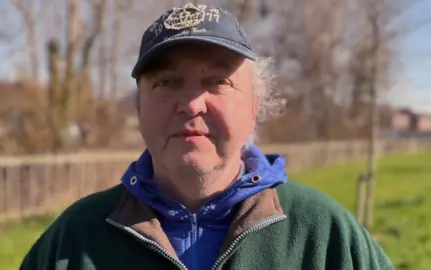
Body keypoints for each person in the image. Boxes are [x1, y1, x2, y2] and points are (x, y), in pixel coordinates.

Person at [20, 3, 393, 270]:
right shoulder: (75, 239)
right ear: (139, 108)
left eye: (218, 82)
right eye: (167, 82)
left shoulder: (325, 236)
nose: (191, 104)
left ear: (253, 108)